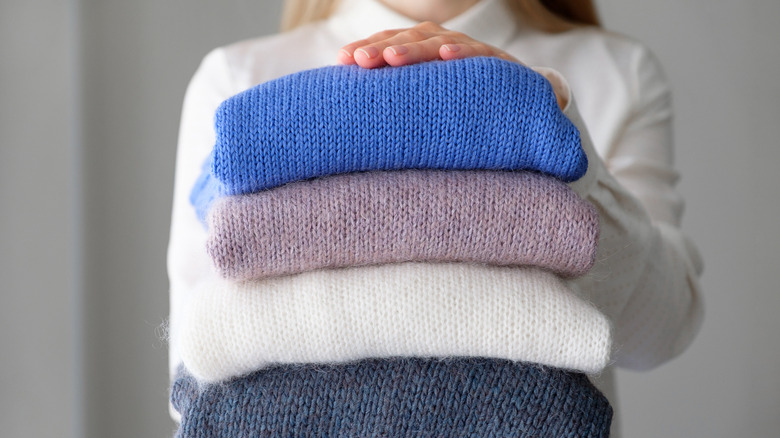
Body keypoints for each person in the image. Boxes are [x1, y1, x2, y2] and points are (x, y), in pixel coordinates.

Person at [167, 0, 704, 435]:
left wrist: (556, 120)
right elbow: (202, 358)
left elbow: (662, 331)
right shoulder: (237, 78)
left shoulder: (615, 71)